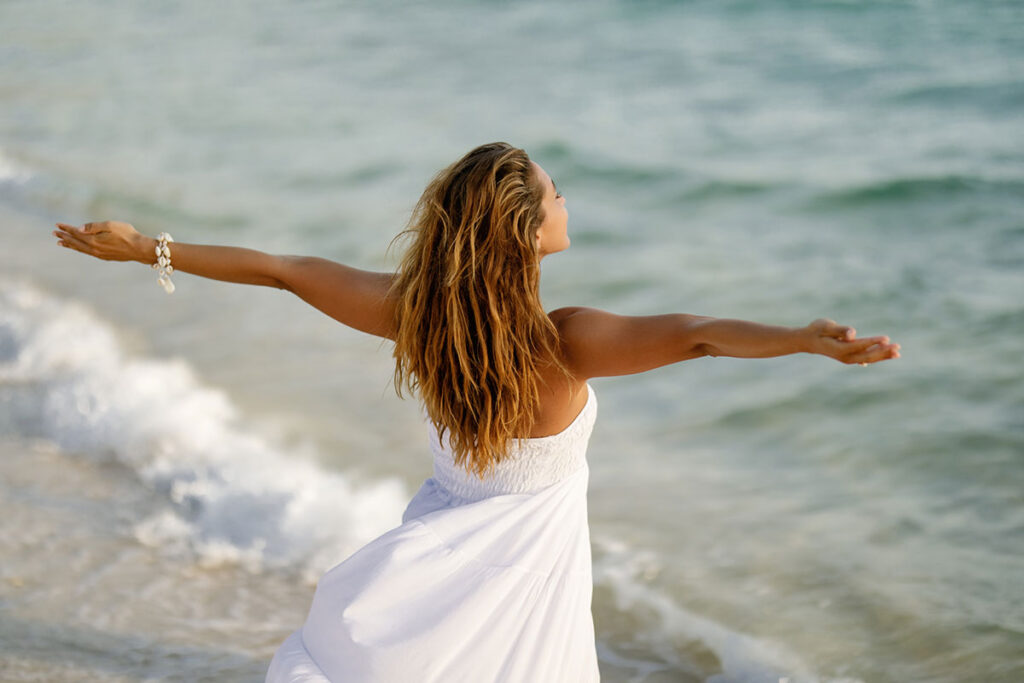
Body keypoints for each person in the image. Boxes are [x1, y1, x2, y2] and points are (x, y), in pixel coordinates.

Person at [53, 141, 899, 682]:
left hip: (440, 550)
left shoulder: (418, 315)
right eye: (557, 193)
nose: (568, 203)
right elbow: (700, 337)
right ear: (527, 230)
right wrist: (801, 339)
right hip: (525, 578)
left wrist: (146, 248)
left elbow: (284, 268)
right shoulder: (567, 342)